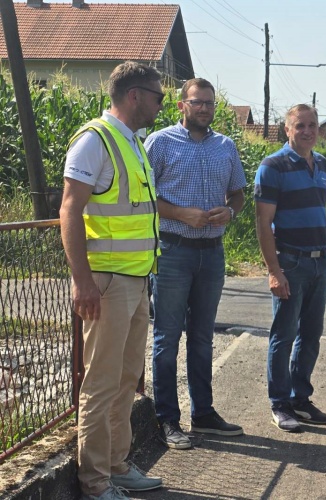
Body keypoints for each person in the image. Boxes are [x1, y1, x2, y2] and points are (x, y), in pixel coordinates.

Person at [60, 61, 164, 500]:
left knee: (127, 378)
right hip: (106, 283)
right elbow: (70, 209)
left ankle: (118, 466)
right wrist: (81, 281)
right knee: (101, 384)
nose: (163, 104)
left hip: (137, 281)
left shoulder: (133, 142)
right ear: (135, 95)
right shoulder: (94, 141)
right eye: (158, 96)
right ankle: (95, 482)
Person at [145, 78, 247, 449]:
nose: (204, 108)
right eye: (197, 102)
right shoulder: (159, 142)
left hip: (211, 252)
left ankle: (203, 414)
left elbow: (238, 193)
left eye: (209, 103)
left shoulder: (226, 146)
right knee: (166, 337)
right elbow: (144, 197)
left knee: (203, 337)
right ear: (181, 105)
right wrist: (181, 214)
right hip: (172, 251)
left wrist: (229, 212)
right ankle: (168, 419)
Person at [254, 103, 326, 433]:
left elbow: (320, 214)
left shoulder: (321, 163)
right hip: (290, 261)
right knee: (284, 334)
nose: (307, 131)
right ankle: (280, 403)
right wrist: (274, 271)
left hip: (318, 261)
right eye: (300, 125)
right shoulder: (272, 165)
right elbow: (263, 223)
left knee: (311, 335)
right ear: (287, 129)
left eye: (312, 125)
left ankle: (300, 398)